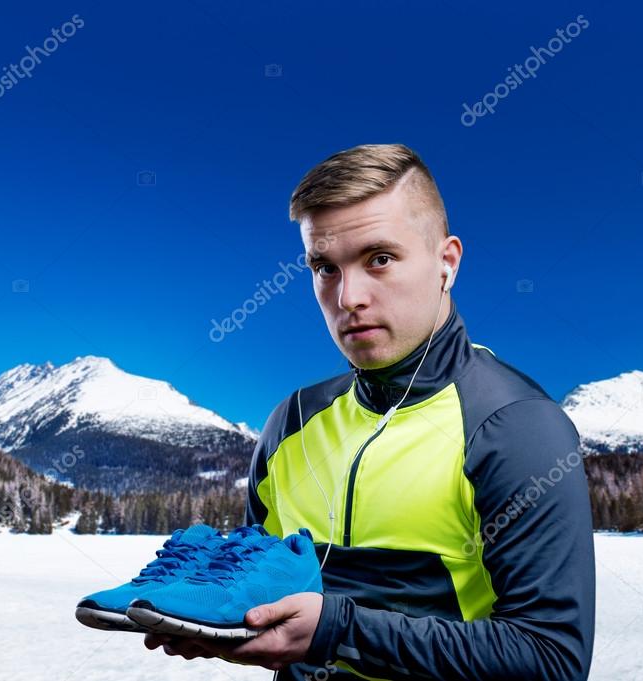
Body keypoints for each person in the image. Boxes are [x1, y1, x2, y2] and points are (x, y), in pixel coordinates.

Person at [145, 143, 595, 680]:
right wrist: (219, 616)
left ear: (446, 262)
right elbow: (265, 589)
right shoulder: (292, 421)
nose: (348, 296)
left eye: (379, 258)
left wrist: (338, 631)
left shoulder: (515, 426)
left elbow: (552, 660)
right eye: (325, 268)